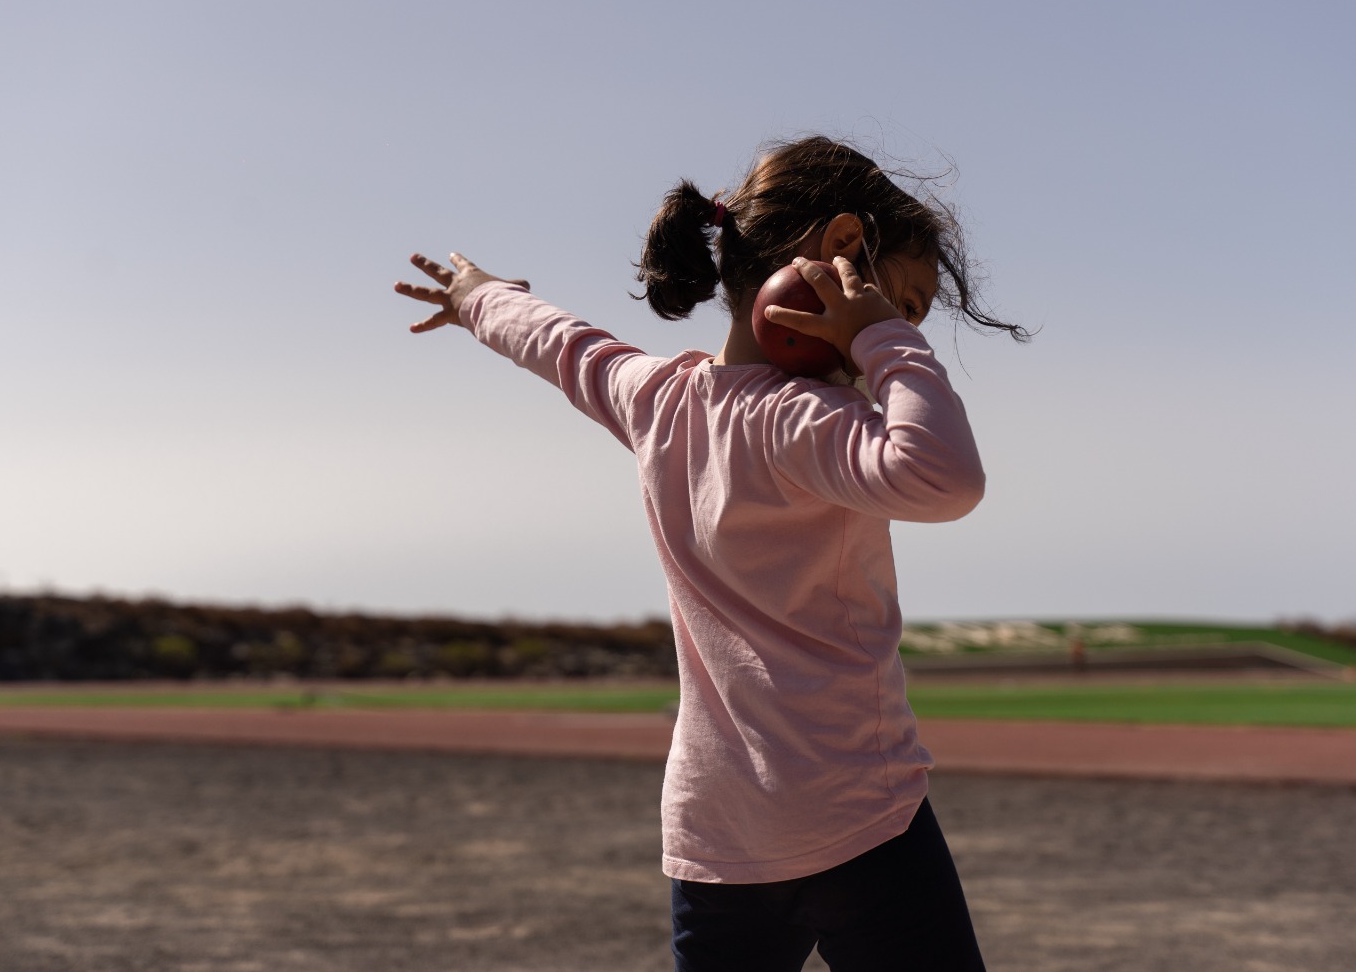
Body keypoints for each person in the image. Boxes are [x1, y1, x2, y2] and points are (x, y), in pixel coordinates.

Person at [394, 136, 1026, 971]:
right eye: (900, 301)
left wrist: (479, 297)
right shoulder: (806, 422)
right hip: (857, 821)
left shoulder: (656, 400)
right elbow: (945, 478)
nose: (900, 328)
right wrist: (884, 342)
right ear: (838, 253)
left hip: (716, 835)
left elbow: (560, 343)